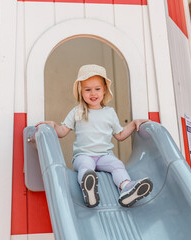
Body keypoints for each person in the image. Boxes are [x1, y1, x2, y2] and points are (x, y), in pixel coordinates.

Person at [36, 64, 153, 208]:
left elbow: (120, 135)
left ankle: (126, 188)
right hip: (83, 155)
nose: (93, 93)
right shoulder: (77, 111)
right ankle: (89, 189)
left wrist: (134, 123)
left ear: (104, 90)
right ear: (81, 91)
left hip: (104, 155)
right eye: (87, 90)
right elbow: (62, 132)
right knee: (86, 166)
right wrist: (53, 125)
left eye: (97, 89)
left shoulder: (109, 113)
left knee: (117, 165)